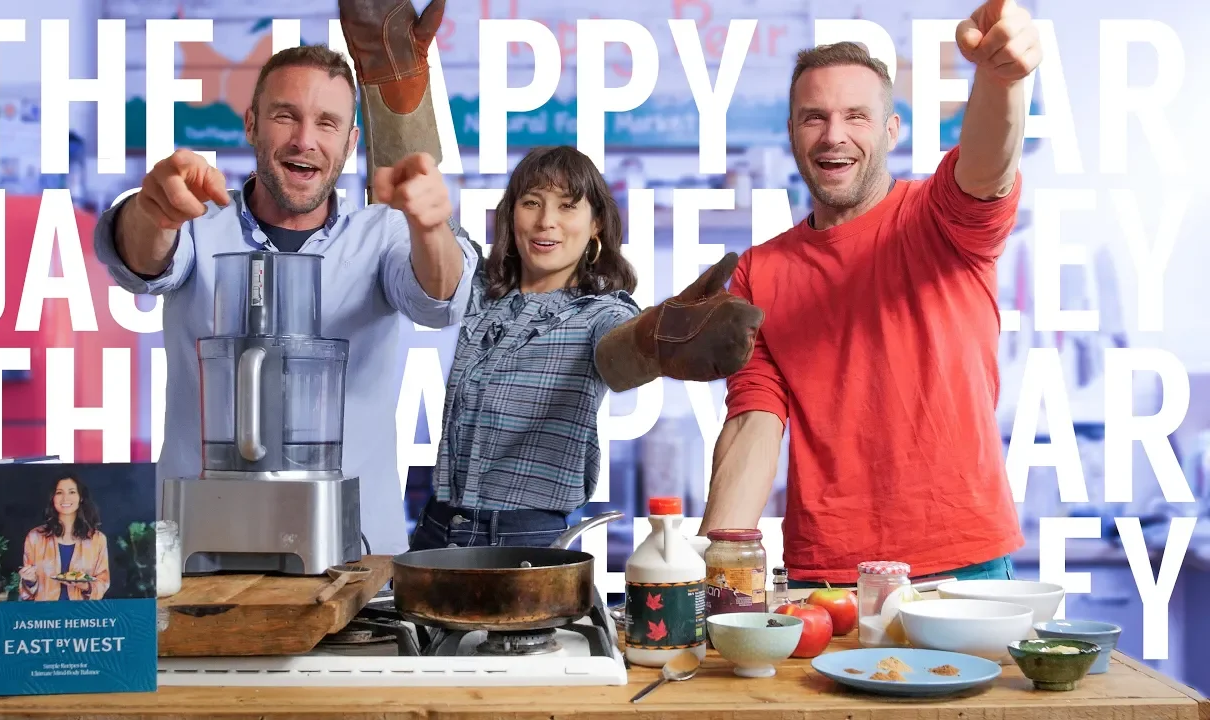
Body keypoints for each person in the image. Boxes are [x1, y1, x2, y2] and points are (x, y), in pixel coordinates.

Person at [698, 0, 1043, 587]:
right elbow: (754, 418)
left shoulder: (940, 218)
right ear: (791, 132)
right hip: (826, 573)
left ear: (891, 129)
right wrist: (708, 570)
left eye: (857, 115)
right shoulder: (761, 269)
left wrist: (1001, 79)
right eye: (814, 117)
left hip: (961, 564)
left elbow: (987, 168)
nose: (834, 135)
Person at [92, 42, 476, 555]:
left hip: (354, 565)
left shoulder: (382, 236)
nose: (304, 140)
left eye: (327, 123)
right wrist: (152, 212)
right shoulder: (199, 226)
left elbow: (440, 299)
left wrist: (431, 228)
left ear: (350, 141)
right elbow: (141, 263)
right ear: (251, 124)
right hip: (197, 562)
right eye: (285, 116)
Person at [410, 146, 765, 550]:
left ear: (596, 224)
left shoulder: (601, 313)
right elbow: (437, 237)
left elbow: (620, 353)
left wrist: (659, 339)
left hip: (527, 543)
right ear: (512, 214)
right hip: (434, 534)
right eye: (531, 203)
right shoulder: (479, 290)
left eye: (567, 207)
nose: (547, 222)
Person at [18, 476, 110, 601]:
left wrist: (85, 585)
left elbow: (103, 583)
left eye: (72, 492)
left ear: (81, 498)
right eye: (59, 493)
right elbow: (27, 594)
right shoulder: (35, 537)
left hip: (82, 616)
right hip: (45, 616)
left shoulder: (97, 539)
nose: (65, 498)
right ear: (53, 498)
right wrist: (29, 581)